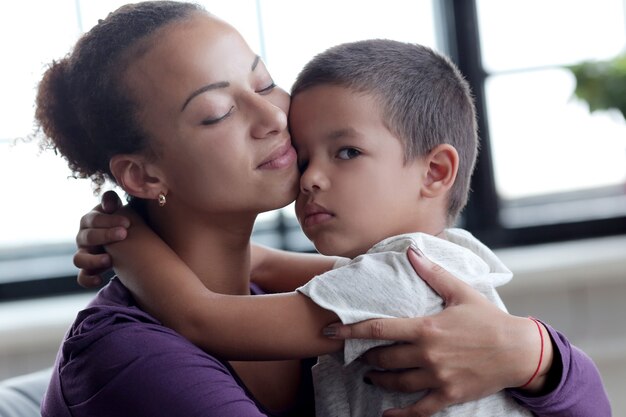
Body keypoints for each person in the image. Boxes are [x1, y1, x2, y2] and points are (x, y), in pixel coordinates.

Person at [42, 1, 609, 416]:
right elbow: (198, 317)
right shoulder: (127, 358)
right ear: (142, 176)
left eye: (263, 83)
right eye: (217, 112)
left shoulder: (343, 285)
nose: (270, 119)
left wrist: (534, 355)